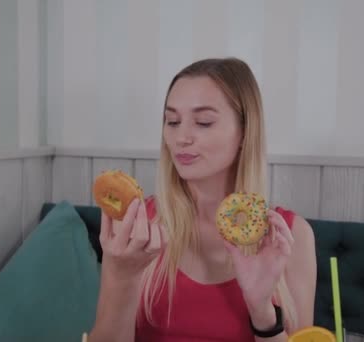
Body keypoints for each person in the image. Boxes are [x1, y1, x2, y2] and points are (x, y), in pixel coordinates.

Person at [88, 57, 317, 341]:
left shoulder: (290, 237)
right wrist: (120, 278)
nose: (180, 137)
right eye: (172, 121)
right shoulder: (140, 227)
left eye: (203, 122)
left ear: (245, 132)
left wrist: (262, 312)